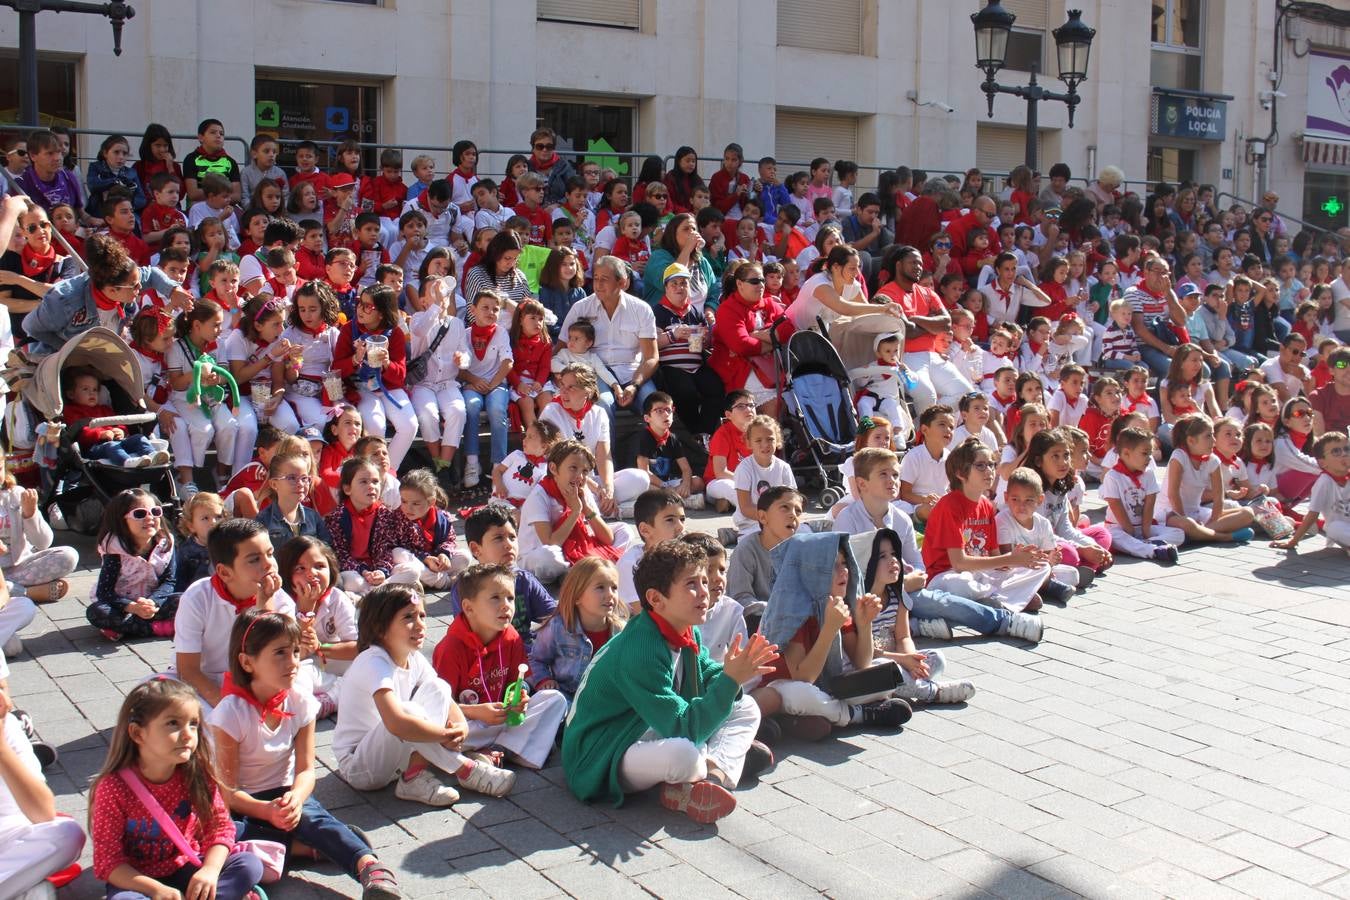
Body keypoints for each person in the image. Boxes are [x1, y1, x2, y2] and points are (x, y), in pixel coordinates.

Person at [562, 540, 774, 823]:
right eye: (691, 584)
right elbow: (683, 728)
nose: (705, 590)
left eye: (704, 580)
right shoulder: (641, 651)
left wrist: (730, 674)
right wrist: (729, 681)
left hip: (643, 725)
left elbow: (704, 673)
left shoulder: (684, 628)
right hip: (602, 754)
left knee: (746, 705)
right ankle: (718, 760)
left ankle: (713, 775)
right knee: (683, 754)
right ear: (656, 599)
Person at [209, 611, 402, 899]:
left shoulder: (300, 702)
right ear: (247, 662)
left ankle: (369, 867)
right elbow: (227, 792)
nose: (293, 662)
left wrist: (296, 799)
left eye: (295, 651)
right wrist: (265, 810)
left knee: (314, 818)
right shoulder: (231, 713)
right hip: (244, 804)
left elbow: (306, 770)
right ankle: (305, 847)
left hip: (286, 794)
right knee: (223, 832)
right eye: (280, 653)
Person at [332, 584, 516, 807]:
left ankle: (414, 776)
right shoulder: (373, 661)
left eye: (422, 615)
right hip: (362, 767)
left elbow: (444, 698)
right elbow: (396, 723)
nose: (420, 625)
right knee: (408, 711)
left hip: (396, 755)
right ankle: (467, 770)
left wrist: (460, 726)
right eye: (408, 617)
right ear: (380, 627)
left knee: (437, 687)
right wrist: (442, 734)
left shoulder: (413, 657)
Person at [89, 679, 263, 900]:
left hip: (186, 866)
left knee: (248, 865)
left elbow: (220, 829)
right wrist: (156, 890)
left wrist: (210, 871)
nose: (188, 734)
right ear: (137, 734)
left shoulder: (197, 774)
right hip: (138, 881)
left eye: (193, 723)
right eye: (173, 723)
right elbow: (108, 863)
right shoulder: (113, 788)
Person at [754, 532, 914, 737]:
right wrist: (829, 629)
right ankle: (858, 715)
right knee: (801, 694)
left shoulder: (834, 603)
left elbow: (862, 664)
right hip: (784, 689)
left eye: (845, 563)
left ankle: (811, 718)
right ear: (810, 572)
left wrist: (864, 625)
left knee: (883, 671)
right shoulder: (791, 611)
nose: (844, 571)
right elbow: (804, 678)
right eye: (832, 566)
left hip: (827, 688)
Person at [430, 564, 568, 770]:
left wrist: (521, 696)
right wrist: (476, 712)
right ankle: (516, 746)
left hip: (504, 718)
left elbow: (517, 682)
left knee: (555, 700)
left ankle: (498, 750)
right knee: (440, 735)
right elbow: (439, 707)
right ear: (468, 608)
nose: (506, 606)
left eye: (510, 598)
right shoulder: (451, 648)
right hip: (471, 723)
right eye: (495, 598)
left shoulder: (511, 636)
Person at [921, 438, 1050, 612]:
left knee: (1042, 566)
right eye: (981, 465)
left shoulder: (987, 505)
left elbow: (993, 557)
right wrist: (1010, 559)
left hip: (981, 575)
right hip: (947, 575)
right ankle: (1010, 598)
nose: (989, 471)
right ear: (960, 473)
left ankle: (998, 600)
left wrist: (1019, 559)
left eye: (991, 464)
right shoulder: (949, 506)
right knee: (961, 584)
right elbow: (959, 563)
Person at [854, 529, 976, 704]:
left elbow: (903, 636)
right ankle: (934, 692)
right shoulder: (860, 603)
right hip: (871, 664)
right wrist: (902, 660)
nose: (893, 561)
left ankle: (904, 687)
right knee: (886, 670)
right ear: (866, 563)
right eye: (882, 556)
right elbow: (862, 656)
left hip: (898, 659)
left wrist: (913, 660)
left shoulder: (897, 594)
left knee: (936, 657)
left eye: (894, 554)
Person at [22, 232, 191, 354]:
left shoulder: (128, 278)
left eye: (139, 281)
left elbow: (152, 274)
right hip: (57, 359)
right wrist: (70, 350)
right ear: (111, 290)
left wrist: (173, 290)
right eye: (134, 286)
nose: (140, 288)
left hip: (101, 353)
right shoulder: (64, 300)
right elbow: (30, 326)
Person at [333, 284, 419, 471]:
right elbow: (337, 368)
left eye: (367, 306)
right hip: (360, 387)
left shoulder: (394, 333)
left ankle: (388, 474)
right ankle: (368, 473)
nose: (360, 309)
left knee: (409, 425)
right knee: (375, 426)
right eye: (359, 303)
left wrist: (387, 363)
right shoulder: (349, 329)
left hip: (388, 386)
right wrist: (355, 359)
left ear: (381, 313)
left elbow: (400, 376)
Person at [518, 441, 632, 581]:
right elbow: (550, 542)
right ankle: (577, 571)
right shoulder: (538, 497)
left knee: (624, 530)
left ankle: (578, 570)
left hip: (573, 548)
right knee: (549, 557)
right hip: (540, 553)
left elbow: (608, 538)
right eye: (573, 468)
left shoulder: (581, 489)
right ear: (553, 468)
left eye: (585, 471)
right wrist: (576, 512)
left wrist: (586, 508)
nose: (580, 476)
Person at [879, 246, 973, 413]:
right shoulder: (886, 294)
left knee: (966, 393)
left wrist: (915, 320)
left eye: (921, 264)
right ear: (899, 265)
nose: (918, 267)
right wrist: (931, 325)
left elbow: (946, 323)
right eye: (913, 262)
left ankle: (924, 426)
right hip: (904, 358)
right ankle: (925, 431)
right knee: (927, 394)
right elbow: (907, 331)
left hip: (933, 355)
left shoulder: (927, 293)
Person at [272, 535, 356, 716]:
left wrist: (320, 647)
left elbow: (357, 646)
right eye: (300, 568)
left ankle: (331, 699)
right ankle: (331, 697)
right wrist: (305, 608)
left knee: (365, 665)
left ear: (331, 569)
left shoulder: (337, 599)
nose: (311, 574)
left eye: (319, 566)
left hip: (332, 662)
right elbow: (287, 652)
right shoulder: (281, 601)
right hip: (302, 666)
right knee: (294, 680)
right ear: (287, 573)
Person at [528, 558, 627, 700]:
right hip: (567, 696)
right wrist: (544, 680)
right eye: (600, 587)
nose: (610, 594)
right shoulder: (558, 627)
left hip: (605, 699)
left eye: (614, 587)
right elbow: (536, 659)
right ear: (577, 596)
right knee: (553, 700)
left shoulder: (621, 631)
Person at [87, 489, 179, 642]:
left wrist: (153, 602)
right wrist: (132, 607)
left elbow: (169, 581)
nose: (149, 518)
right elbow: (105, 592)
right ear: (122, 520)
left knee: (183, 600)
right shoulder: (115, 549)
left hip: (151, 604)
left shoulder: (165, 543)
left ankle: (125, 629)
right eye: (140, 514)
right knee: (96, 612)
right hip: (122, 606)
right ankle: (154, 628)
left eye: (155, 512)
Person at [652, 263, 726, 437]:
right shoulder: (657, 312)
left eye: (683, 283)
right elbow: (653, 343)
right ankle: (696, 432)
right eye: (674, 284)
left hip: (696, 365)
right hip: (671, 368)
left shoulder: (695, 312)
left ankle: (705, 432)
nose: (679, 288)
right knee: (686, 392)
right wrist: (674, 335)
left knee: (716, 388)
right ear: (666, 288)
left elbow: (697, 347)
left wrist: (704, 339)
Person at [708, 261, 788, 415]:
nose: (761, 285)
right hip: (738, 369)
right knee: (773, 402)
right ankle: (771, 437)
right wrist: (772, 343)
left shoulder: (769, 303)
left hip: (771, 365)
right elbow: (742, 345)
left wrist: (758, 335)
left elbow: (788, 329)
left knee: (793, 394)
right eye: (754, 281)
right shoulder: (728, 309)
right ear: (740, 284)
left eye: (762, 280)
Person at [1100, 427, 1186, 562]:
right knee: (1116, 538)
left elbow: (1150, 503)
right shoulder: (1113, 476)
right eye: (1145, 453)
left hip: (1142, 527)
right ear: (1126, 453)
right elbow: (1116, 506)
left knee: (1179, 534)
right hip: (1120, 528)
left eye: (1150, 453)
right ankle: (1155, 550)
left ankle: (1147, 544)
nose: (1149, 458)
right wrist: (1130, 532)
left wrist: (1146, 531)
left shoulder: (1148, 474)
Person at [0, 199, 77, 341]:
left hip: (54, 338)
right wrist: (40, 304)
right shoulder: (10, 259)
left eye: (44, 225)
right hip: (19, 338)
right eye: (32, 228)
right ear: (23, 232)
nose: (40, 230)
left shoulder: (65, 262)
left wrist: (18, 279)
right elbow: (3, 303)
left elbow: (61, 296)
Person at [785, 246, 903, 333]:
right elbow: (844, 308)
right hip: (791, 333)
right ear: (836, 267)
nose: (857, 273)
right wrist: (883, 308)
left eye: (858, 267)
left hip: (817, 337)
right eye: (852, 268)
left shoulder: (853, 285)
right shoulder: (819, 284)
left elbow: (865, 312)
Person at [1273, 432, 1350, 551]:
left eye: (1346, 449)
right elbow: (1312, 515)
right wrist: (1293, 541)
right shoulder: (1324, 482)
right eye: (1336, 452)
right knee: (1333, 528)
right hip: (1343, 528)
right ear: (1322, 463)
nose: (1344, 454)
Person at [728, 486, 802, 610]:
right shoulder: (746, 550)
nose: (793, 515)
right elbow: (740, 597)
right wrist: (774, 611)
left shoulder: (802, 550)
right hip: (759, 622)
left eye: (798, 511)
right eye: (785, 508)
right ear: (763, 517)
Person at [1310, 346, 1350, 436]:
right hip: (1331, 448)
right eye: (1342, 365)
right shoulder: (1318, 396)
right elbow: (1319, 437)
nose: (1349, 370)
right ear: (1331, 370)